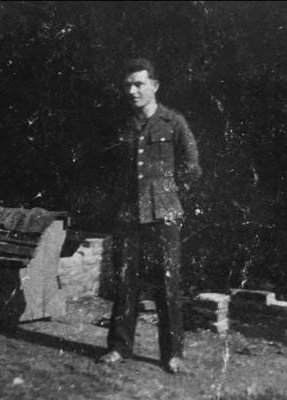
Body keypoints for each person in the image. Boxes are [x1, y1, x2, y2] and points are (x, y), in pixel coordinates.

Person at [98, 58, 202, 373]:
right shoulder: (122, 125)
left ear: (154, 86)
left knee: (167, 284)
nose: (132, 91)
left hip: (164, 216)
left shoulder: (173, 122)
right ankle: (118, 348)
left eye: (139, 84)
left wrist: (167, 192)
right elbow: (111, 170)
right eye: (127, 85)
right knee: (125, 281)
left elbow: (192, 167)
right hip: (129, 215)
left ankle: (173, 355)